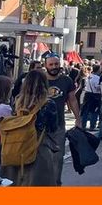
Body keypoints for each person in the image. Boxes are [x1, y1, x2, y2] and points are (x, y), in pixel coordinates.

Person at [0, 70, 59, 186]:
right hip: (38, 148)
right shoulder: (48, 104)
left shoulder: (18, 101)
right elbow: (52, 127)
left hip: (16, 146)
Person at [41, 54, 81, 186]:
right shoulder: (39, 79)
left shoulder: (66, 81)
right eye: (51, 64)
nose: (54, 67)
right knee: (40, 158)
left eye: (56, 64)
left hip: (58, 126)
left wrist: (78, 118)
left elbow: (72, 99)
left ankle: (55, 183)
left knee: (57, 158)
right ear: (46, 65)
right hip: (39, 126)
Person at [80, 64, 101, 131]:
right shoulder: (97, 78)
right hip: (95, 96)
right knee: (94, 111)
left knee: (85, 111)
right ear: (98, 70)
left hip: (87, 94)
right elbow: (97, 87)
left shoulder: (89, 76)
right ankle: (92, 126)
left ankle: (83, 125)